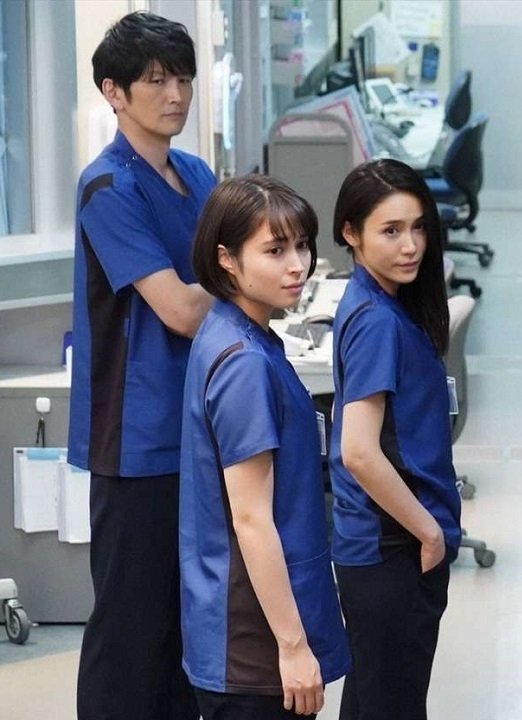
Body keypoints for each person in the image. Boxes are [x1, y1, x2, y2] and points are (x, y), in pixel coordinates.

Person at [70, 12, 217, 719]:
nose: (176, 94)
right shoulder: (108, 188)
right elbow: (182, 311)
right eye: (156, 80)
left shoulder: (196, 175)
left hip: (202, 426)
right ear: (114, 92)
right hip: (136, 439)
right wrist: (247, 282)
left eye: (183, 78)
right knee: (131, 629)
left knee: (189, 626)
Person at [180, 176, 350, 719]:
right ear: (226, 259)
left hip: (243, 626)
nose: (297, 265)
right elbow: (251, 519)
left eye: (302, 245)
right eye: (275, 251)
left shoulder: (234, 333)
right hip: (254, 642)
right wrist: (293, 647)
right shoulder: (245, 364)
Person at [328, 159, 461, 720]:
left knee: (372, 702)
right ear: (350, 233)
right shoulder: (377, 321)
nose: (411, 246)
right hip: (392, 545)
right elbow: (359, 450)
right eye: (390, 231)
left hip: (379, 543)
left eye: (418, 228)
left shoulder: (378, 303)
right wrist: (428, 532)